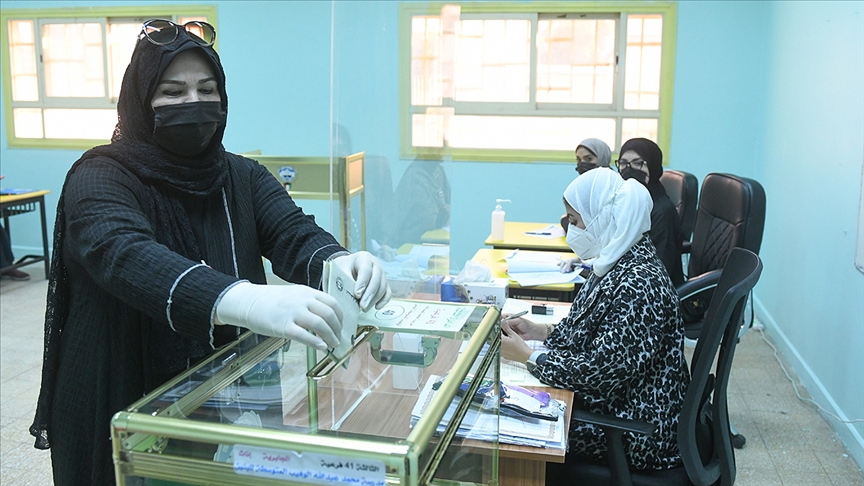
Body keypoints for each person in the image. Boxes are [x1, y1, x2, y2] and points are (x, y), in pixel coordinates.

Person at [29, 20, 390, 485]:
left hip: (224, 393)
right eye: (172, 92)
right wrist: (244, 299)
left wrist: (337, 261)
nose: (193, 104)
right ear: (140, 100)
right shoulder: (99, 177)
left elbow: (292, 231)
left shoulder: (242, 177)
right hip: (120, 391)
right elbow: (125, 254)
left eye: (206, 89)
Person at [501, 168, 690, 476]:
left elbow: (600, 374)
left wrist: (528, 356)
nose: (570, 231)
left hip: (636, 429)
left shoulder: (638, 283)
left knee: (513, 427)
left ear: (605, 217)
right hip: (619, 405)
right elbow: (592, 332)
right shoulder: (616, 261)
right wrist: (541, 332)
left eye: (575, 221)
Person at [616, 137, 684, 286]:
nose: (629, 169)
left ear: (652, 166)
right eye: (623, 163)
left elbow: (657, 271)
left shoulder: (662, 212)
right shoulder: (631, 202)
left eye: (638, 163)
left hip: (654, 295)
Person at [559, 138, 612, 271]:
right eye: (579, 160)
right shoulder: (585, 186)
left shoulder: (610, 188)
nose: (582, 164)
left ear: (602, 159)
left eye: (588, 159)